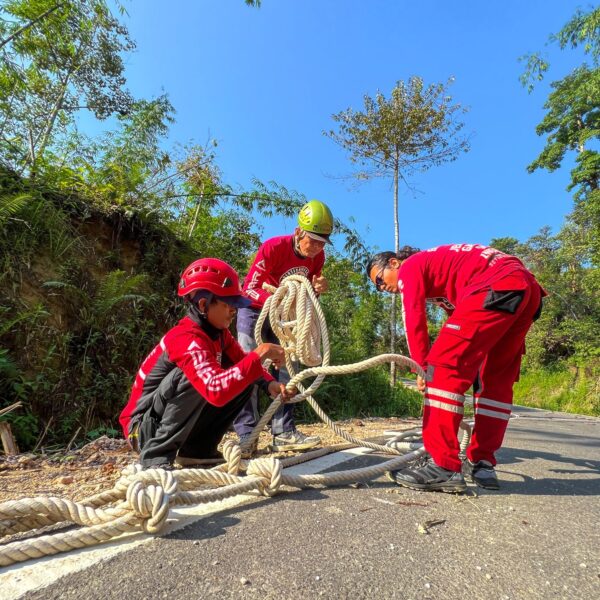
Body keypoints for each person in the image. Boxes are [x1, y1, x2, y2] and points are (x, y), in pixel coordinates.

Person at [367, 243, 546, 492]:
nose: (381, 288)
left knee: (442, 366)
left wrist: (422, 368)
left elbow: (413, 317)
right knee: (493, 379)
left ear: (394, 263)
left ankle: (442, 466)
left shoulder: (411, 268)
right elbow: (462, 318)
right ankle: (482, 462)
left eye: (378, 279)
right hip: (526, 291)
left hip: (497, 284)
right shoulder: (441, 271)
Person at [119, 258, 295, 470]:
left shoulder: (219, 334)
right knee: (195, 377)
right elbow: (215, 390)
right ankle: (156, 457)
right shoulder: (186, 338)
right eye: (228, 303)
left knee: (244, 376)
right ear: (203, 304)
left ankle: (196, 451)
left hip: (163, 421)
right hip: (141, 430)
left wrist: (269, 384)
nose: (234, 310)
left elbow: (243, 363)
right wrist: (261, 353)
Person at [233, 200, 334, 453]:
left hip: (285, 320)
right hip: (255, 313)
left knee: (289, 370)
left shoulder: (317, 256)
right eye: (314, 240)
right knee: (249, 367)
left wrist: (318, 289)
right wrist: (277, 300)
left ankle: (284, 431)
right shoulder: (273, 247)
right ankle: (247, 434)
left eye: (323, 242)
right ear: (299, 232)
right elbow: (249, 289)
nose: (318, 247)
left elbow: (307, 296)